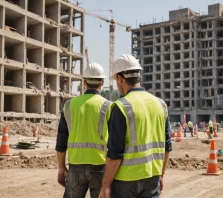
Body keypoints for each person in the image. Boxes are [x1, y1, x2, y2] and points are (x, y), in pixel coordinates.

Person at [98, 54, 172, 198]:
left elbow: (114, 154)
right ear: (139, 77)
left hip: (125, 183)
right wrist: (161, 175)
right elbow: (167, 147)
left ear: (120, 79)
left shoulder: (120, 107)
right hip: (152, 178)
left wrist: (105, 185)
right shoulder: (161, 104)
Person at [55, 62, 112, 198]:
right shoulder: (109, 106)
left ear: (84, 82)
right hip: (100, 167)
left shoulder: (69, 105)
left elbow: (61, 141)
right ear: (102, 82)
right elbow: (116, 143)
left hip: (75, 168)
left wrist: (62, 167)